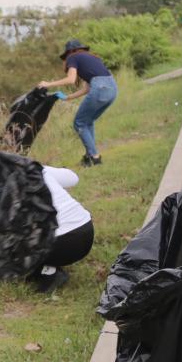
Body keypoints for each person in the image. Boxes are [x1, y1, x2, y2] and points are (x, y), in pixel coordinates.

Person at [39, 38, 118, 166]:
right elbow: (87, 88)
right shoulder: (92, 58)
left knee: (79, 123)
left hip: (100, 88)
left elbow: (71, 79)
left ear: (69, 52)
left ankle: (95, 157)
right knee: (87, 121)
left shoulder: (73, 57)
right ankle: (89, 156)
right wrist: (68, 97)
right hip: (112, 90)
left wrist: (49, 84)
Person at [31, 165, 94, 294]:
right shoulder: (35, 167)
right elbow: (73, 178)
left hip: (60, 243)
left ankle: (50, 273)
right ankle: (45, 267)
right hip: (86, 231)